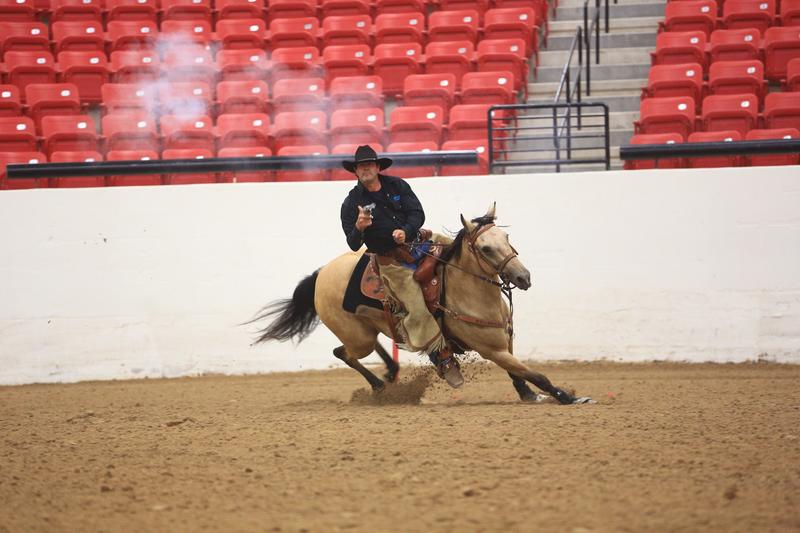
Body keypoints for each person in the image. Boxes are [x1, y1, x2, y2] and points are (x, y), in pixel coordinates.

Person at [340, 145, 464, 388]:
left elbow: (417, 213)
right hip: (390, 261)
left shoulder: (398, 185)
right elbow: (353, 244)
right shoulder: (351, 203)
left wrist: (405, 230)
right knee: (415, 305)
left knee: (460, 250)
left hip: (420, 241)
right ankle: (442, 358)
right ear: (355, 171)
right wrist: (360, 228)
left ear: (377, 167)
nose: (365, 169)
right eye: (360, 166)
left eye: (369, 164)